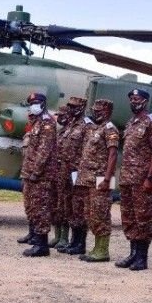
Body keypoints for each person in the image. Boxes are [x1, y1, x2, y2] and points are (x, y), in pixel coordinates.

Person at [114, 89, 152, 271]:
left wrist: (150, 177)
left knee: (143, 218)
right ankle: (133, 254)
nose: (134, 102)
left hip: (142, 179)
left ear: (145, 101)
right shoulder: (131, 122)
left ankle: (142, 257)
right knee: (129, 217)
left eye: (138, 99)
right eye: (131, 99)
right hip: (127, 178)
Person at [75, 99, 120, 262]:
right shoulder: (94, 129)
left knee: (100, 214)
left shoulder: (109, 129)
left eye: (100, 111)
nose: (96, 113)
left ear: (108, 112)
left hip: (101, 179)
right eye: (95, 110)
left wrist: (107, 179)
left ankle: (102, 250)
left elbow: (113, 154)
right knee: (90, 214)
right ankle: (96, 247)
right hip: (88, 180)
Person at [19, 92, 57, 257]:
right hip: (30, 173)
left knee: (41, 208)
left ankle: (42, 246)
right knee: (33, 207)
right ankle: (36, 239)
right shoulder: (37, 123)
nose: (33, 105)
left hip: (41, 175)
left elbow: (45, 150)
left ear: (43, 104)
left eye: (37, 102)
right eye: (31, 103)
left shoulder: (47, 123)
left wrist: (36, 172)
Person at [57, 96, 91, 255]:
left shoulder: (86, 126)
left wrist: (83, 172)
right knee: (69, 207)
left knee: (79, 208)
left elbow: (89, 150)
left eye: (74, 106)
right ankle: (72, 241)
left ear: (82, 107)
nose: (70, 108)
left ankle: (80, 243)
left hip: (78, 172)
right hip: (66, 172)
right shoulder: (70, 126)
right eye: (69, 106)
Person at [48, 104, 73, 250]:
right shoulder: (61, 132)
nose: (60, 118)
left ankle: (64, 237)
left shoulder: (72, 132)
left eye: (63, 115)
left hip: (67, 174)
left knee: (65, 207)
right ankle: (57, 236)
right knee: (56, 206)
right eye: (59, 115)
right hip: (57, 174)